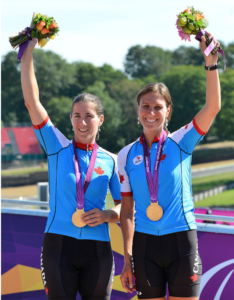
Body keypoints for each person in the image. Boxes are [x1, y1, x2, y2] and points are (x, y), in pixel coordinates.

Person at [117, 33, 221, 300]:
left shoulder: (181, 142)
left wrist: (211, 66)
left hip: (181, 241)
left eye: (158, 107)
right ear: (138, 109)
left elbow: (212, 107)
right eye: (145, 106)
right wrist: (127, 258)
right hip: (144, 245)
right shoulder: (126, 155)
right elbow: (127, 211)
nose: (151, 113)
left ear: (168, 111)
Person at [21, 38, 121, 300]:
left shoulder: (111, 160)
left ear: (100, 120)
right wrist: (28, 54)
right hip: (58, 246)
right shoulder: (57, 147)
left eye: (89, 116)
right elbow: (32, 101)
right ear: (71, 119)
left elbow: (126, 206)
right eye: (77, 115)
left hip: (98, 248)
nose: (83, 122)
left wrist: (108, 214)